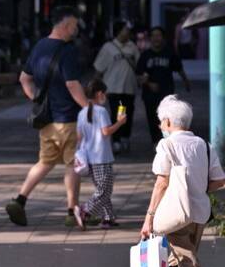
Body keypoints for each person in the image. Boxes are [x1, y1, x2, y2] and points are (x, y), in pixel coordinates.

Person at [140, 96, 225, 267]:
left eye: (160, 122)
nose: (160, 126)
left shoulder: (166, 146)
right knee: (175, 264)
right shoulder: (203, 145)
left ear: (167, 122)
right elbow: (219, 180)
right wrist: (195, 189)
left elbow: (161, 183)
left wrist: (149, 219)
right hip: (198, 215)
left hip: (173, 216)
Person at [6, 6, 88, 228]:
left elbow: (24, 78)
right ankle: (72, 211)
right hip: (69, 118)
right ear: (63, 25)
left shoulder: (39, 46)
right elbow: (72, 84)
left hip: (47, 119)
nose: (75, 30)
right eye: (73, 25)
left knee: (45, 162)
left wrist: (37, 99)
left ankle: (20, 199)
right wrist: (89, 108)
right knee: (72, 164)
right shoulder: (67, 51)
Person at [74, 80, 127, 229]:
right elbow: (106, 132)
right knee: (105, 190)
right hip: (102, 156)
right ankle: (85, 210)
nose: (106, 96)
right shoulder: (101, 111)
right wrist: (120, 122)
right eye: (105, 93)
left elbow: (79, 137)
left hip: (89, 157)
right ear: (99, 94)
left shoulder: (82, 113)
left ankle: (108, 218)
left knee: (102, 187)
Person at [136, 27, 191, 146]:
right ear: (150, 38)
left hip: (167, 93)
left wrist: (186, 82)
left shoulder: (169, 53)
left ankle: (167, 141)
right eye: (154, 35)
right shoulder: (145, 55)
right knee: (152, 118)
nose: (156, 38)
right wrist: (149, 84)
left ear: (163, 38)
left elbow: (179, 69)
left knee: (168, 117)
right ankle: (156, 141)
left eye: (159, 35)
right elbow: (139, 76)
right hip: (149, 94)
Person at [93, 20, 139, 154]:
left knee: (128, 113)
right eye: (125, 29)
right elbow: (99, 68)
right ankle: (117, 140)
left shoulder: (132, 47)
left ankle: (125, 137)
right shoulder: (108, 47)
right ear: (119, 31)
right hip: (113, 88)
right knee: (117, 114)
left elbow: (139, 64)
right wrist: (95, 87)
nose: (128, 32)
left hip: (129, 88)